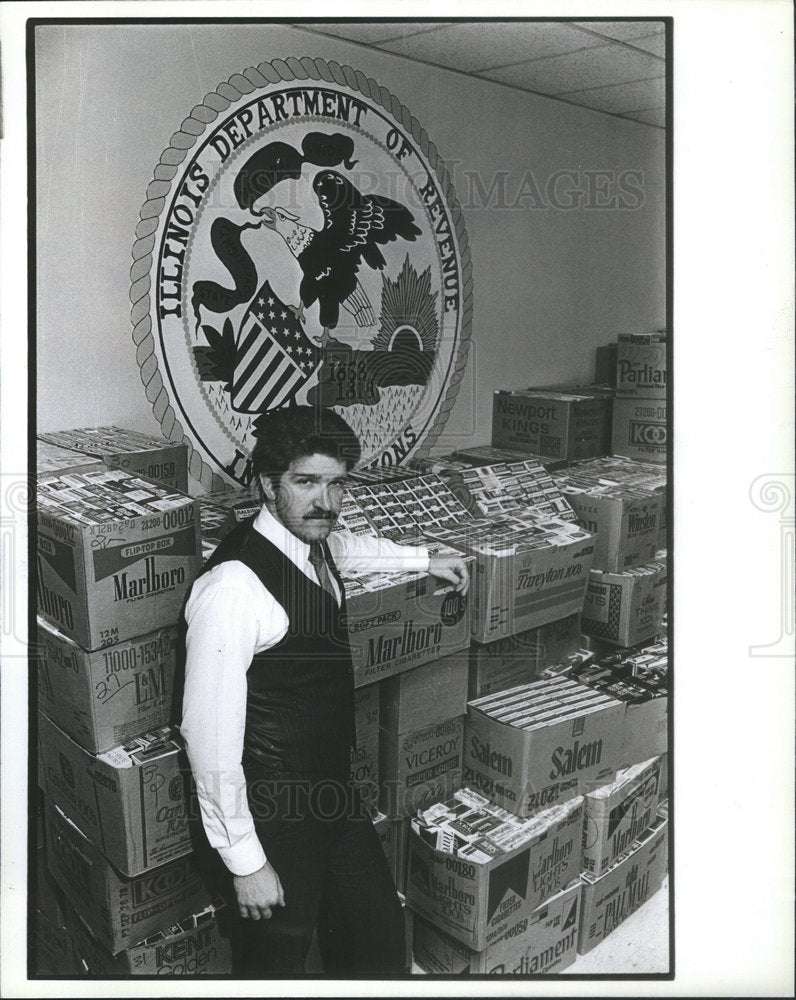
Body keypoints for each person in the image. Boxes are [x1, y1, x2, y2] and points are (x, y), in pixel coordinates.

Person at [180, 406, 469, 976]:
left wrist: (423, 558)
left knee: (379, 939)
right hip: (274, 816)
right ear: (268, 485)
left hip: (332, 795)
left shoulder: (310, 540)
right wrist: (245, 862)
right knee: (275, 966)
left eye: (337, 484)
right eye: (306, 482)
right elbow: (206, 736)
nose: (326, 502)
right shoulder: (233, 589)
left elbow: (347, 546)